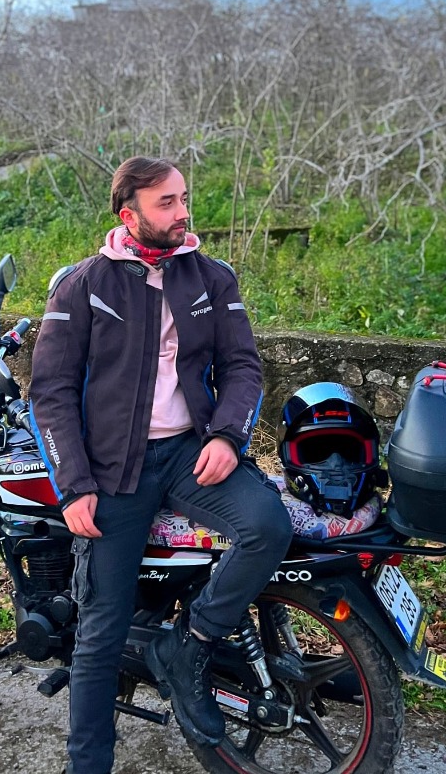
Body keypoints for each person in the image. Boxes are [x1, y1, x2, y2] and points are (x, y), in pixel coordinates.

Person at [28, 156, 293, 774]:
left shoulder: (212, 278)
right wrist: (74, 485)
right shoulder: (83, 286)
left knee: (268, 526)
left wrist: (227, 436)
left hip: (189, 453)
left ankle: (189, 645)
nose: (182, 213)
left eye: (184, 199)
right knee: (100, 631)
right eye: (166, 203)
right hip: (112, 470)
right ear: (130, 215)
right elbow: (51, 392)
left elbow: (243, 367)